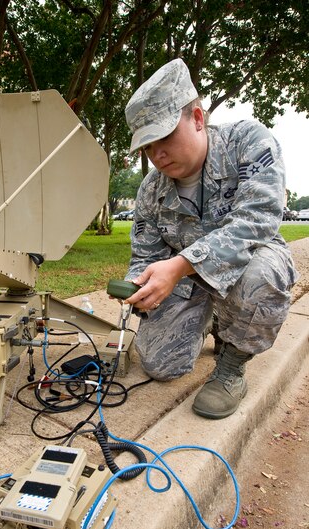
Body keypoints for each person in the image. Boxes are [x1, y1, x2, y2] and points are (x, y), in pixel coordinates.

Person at [123, 58, 298, 419]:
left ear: (198, 119)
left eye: (164, 137)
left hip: (249, 261)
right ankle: (214, 318)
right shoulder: (150, 190)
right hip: (186, 281)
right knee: (159, 365)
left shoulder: (248, 142)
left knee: (261, 274)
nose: (157, 155)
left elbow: (257, 221)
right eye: (147, 147)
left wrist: (179, 266)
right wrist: (137, 285)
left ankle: (232, 366)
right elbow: (145, 255)